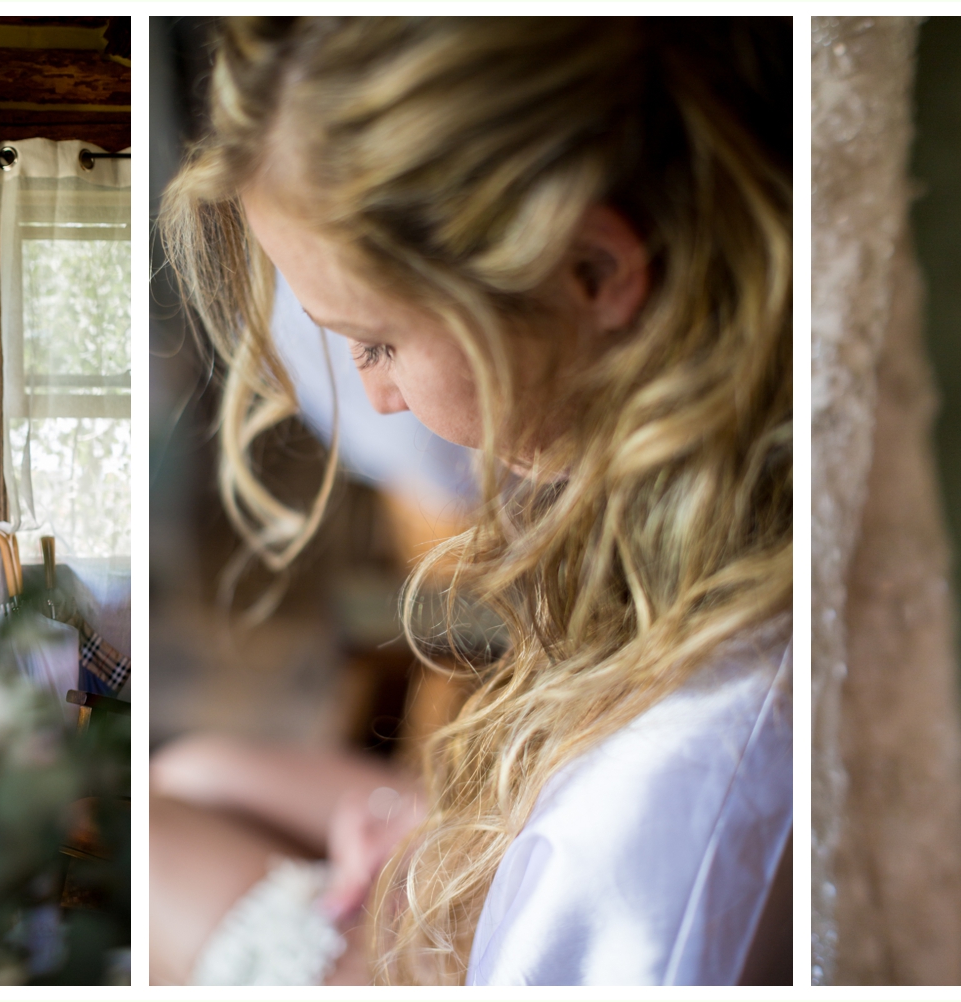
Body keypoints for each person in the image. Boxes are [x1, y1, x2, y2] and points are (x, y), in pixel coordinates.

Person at [155, 17, 791, 986]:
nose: (374, 396)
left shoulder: (676, 790)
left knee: (157, 835)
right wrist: (458, 851)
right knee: (191, 771)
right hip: (539, 848)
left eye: (374, 342)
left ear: (596, 271)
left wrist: (435, 912)